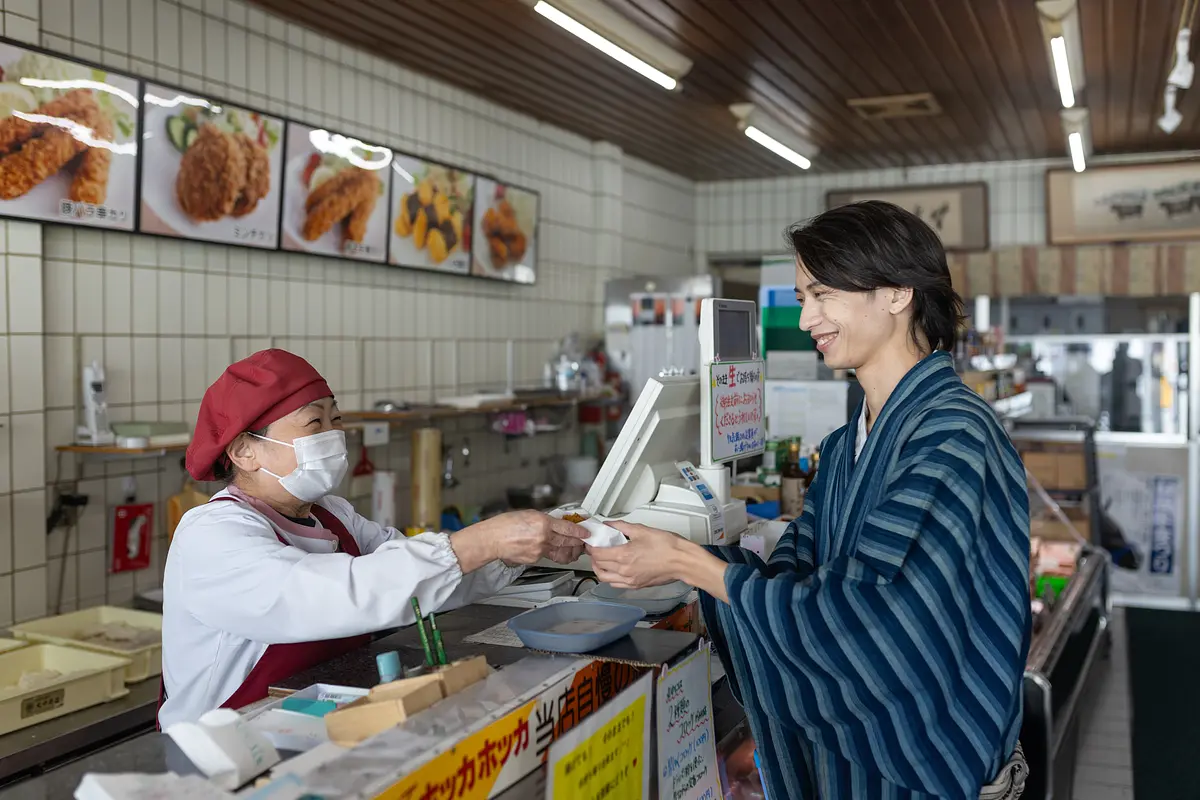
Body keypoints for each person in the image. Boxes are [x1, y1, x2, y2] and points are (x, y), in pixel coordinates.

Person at [590, 202, 1031, 799]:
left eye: (822, 294)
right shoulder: (850, 442)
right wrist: (681, 554)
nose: (806, 319)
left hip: (927, 777)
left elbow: (873, 619)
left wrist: (688, 563)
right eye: (803, 298)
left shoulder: (954, 435)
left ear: (898, 292)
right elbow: (796, 568)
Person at [159, 349, 588, 728]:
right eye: (313, 422)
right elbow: (339, 593)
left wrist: (511, 553)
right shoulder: (212, 534)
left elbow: (415, 582)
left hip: (317, 727)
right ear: (243, 451)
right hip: (222, 753)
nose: (333, 434)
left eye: (336, 419)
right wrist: (484, 540)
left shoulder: (333, 514)